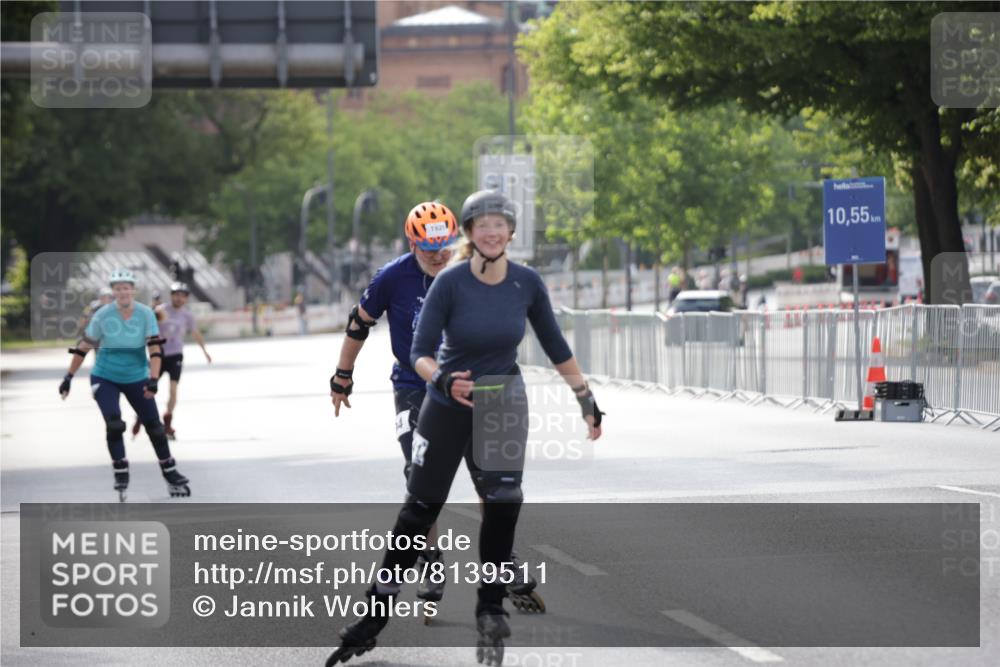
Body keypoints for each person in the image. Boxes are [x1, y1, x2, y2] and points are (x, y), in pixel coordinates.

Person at [327, 191, 604, 667]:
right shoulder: (439, 281)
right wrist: (351, 374)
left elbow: (555, 343)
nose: (491, 233)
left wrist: (586, 398)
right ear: (472, 233)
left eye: (501, 225)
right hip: (431, 393)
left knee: (500, 495)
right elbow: (413, 345)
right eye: (484, 225)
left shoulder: (526, 282)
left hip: (499, 396)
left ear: (509, 232)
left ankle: (491, 601)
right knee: (420, 503)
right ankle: (384, 607)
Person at [330, 201, 460, 608]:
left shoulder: (468, 272)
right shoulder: (392, 277)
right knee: (418, 474)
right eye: (429, 248)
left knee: (490, 471)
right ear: (412, 242)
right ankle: (431, 558)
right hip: (412, 383)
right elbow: (359, 323)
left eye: (446, 246)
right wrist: (342, 375)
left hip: (463, 383)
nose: (439, 256)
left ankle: (502, 558)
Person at [59, 268, 190, 500]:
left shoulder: (145, 314)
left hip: (136, 376)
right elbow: (84, 345)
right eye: (118, 288)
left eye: (126, 288)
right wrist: (68, 376)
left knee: (155, 427)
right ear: (113, 291)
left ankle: (170, 472)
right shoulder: (102, 315)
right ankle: (121, 471)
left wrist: (153, 379)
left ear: (133, 290)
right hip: (105, 376)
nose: (123, 292)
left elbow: (154, 348)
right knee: (115, 424)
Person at [132, 282, 211, 440]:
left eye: (183, 296)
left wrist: (205, 351)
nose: (179, 298)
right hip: (158, 356)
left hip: (176, 355)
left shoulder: (187, 315)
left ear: (186, 298)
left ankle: (167, 421)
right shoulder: (162, 310)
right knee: (148, 389)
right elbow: (146, 325)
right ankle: (141, 415)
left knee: (173, 390)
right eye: (176, 295)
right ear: (171, 296)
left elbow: (195, 333)